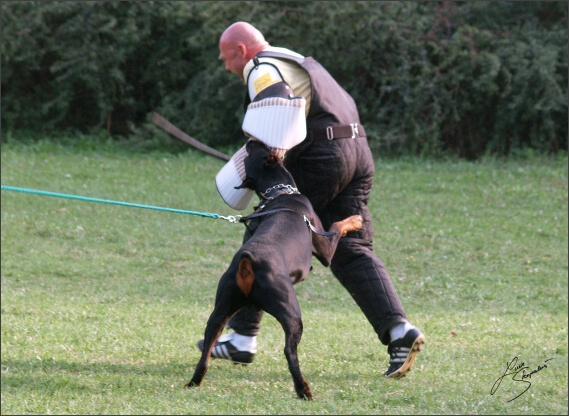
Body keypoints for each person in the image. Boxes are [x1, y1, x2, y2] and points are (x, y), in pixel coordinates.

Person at [198, 21, 425, 378]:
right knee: (348, 248)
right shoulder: (297, 59)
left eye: (226, 58)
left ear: (241, 51)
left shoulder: (261, 69)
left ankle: (242, 337)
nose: (226, 66)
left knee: (266, 229)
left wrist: (266, 160)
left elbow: (278, 103)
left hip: (322, 157)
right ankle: (399, 331)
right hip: (357, 153)